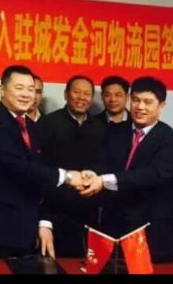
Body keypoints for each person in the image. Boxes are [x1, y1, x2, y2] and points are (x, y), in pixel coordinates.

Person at [0, 65, 84, 259]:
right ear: (2, 90)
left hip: (28, 228)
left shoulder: (31, 126)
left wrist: (44, 222)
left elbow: (42, 169)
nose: (26, 94)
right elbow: (16, 165)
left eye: (31, 89)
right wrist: (66, 176)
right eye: (19, 88)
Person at [80, 76, 173, 263]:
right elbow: (101, 163)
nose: (140, 107)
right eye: (136, 100)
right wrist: (92, 174)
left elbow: (154, 174)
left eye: (148, 102)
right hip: (113, 228)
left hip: (151, 232)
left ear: (161, 106)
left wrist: (103, 180)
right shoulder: (114, 131)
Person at [39, 75, 107, 257]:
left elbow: (103, 161)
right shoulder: (48, 123)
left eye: (87, 93)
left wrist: (91, 177)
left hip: (89, 203)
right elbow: (41, 165)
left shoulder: (100, 127)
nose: (81, 97)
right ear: (66, 94)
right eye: (76, 92)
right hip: (55, 204)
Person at [26, 75, 49, 153]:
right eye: (30, 90)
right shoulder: (12, 120)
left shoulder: (49, 122)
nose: (34, 97)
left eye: (38, 92)